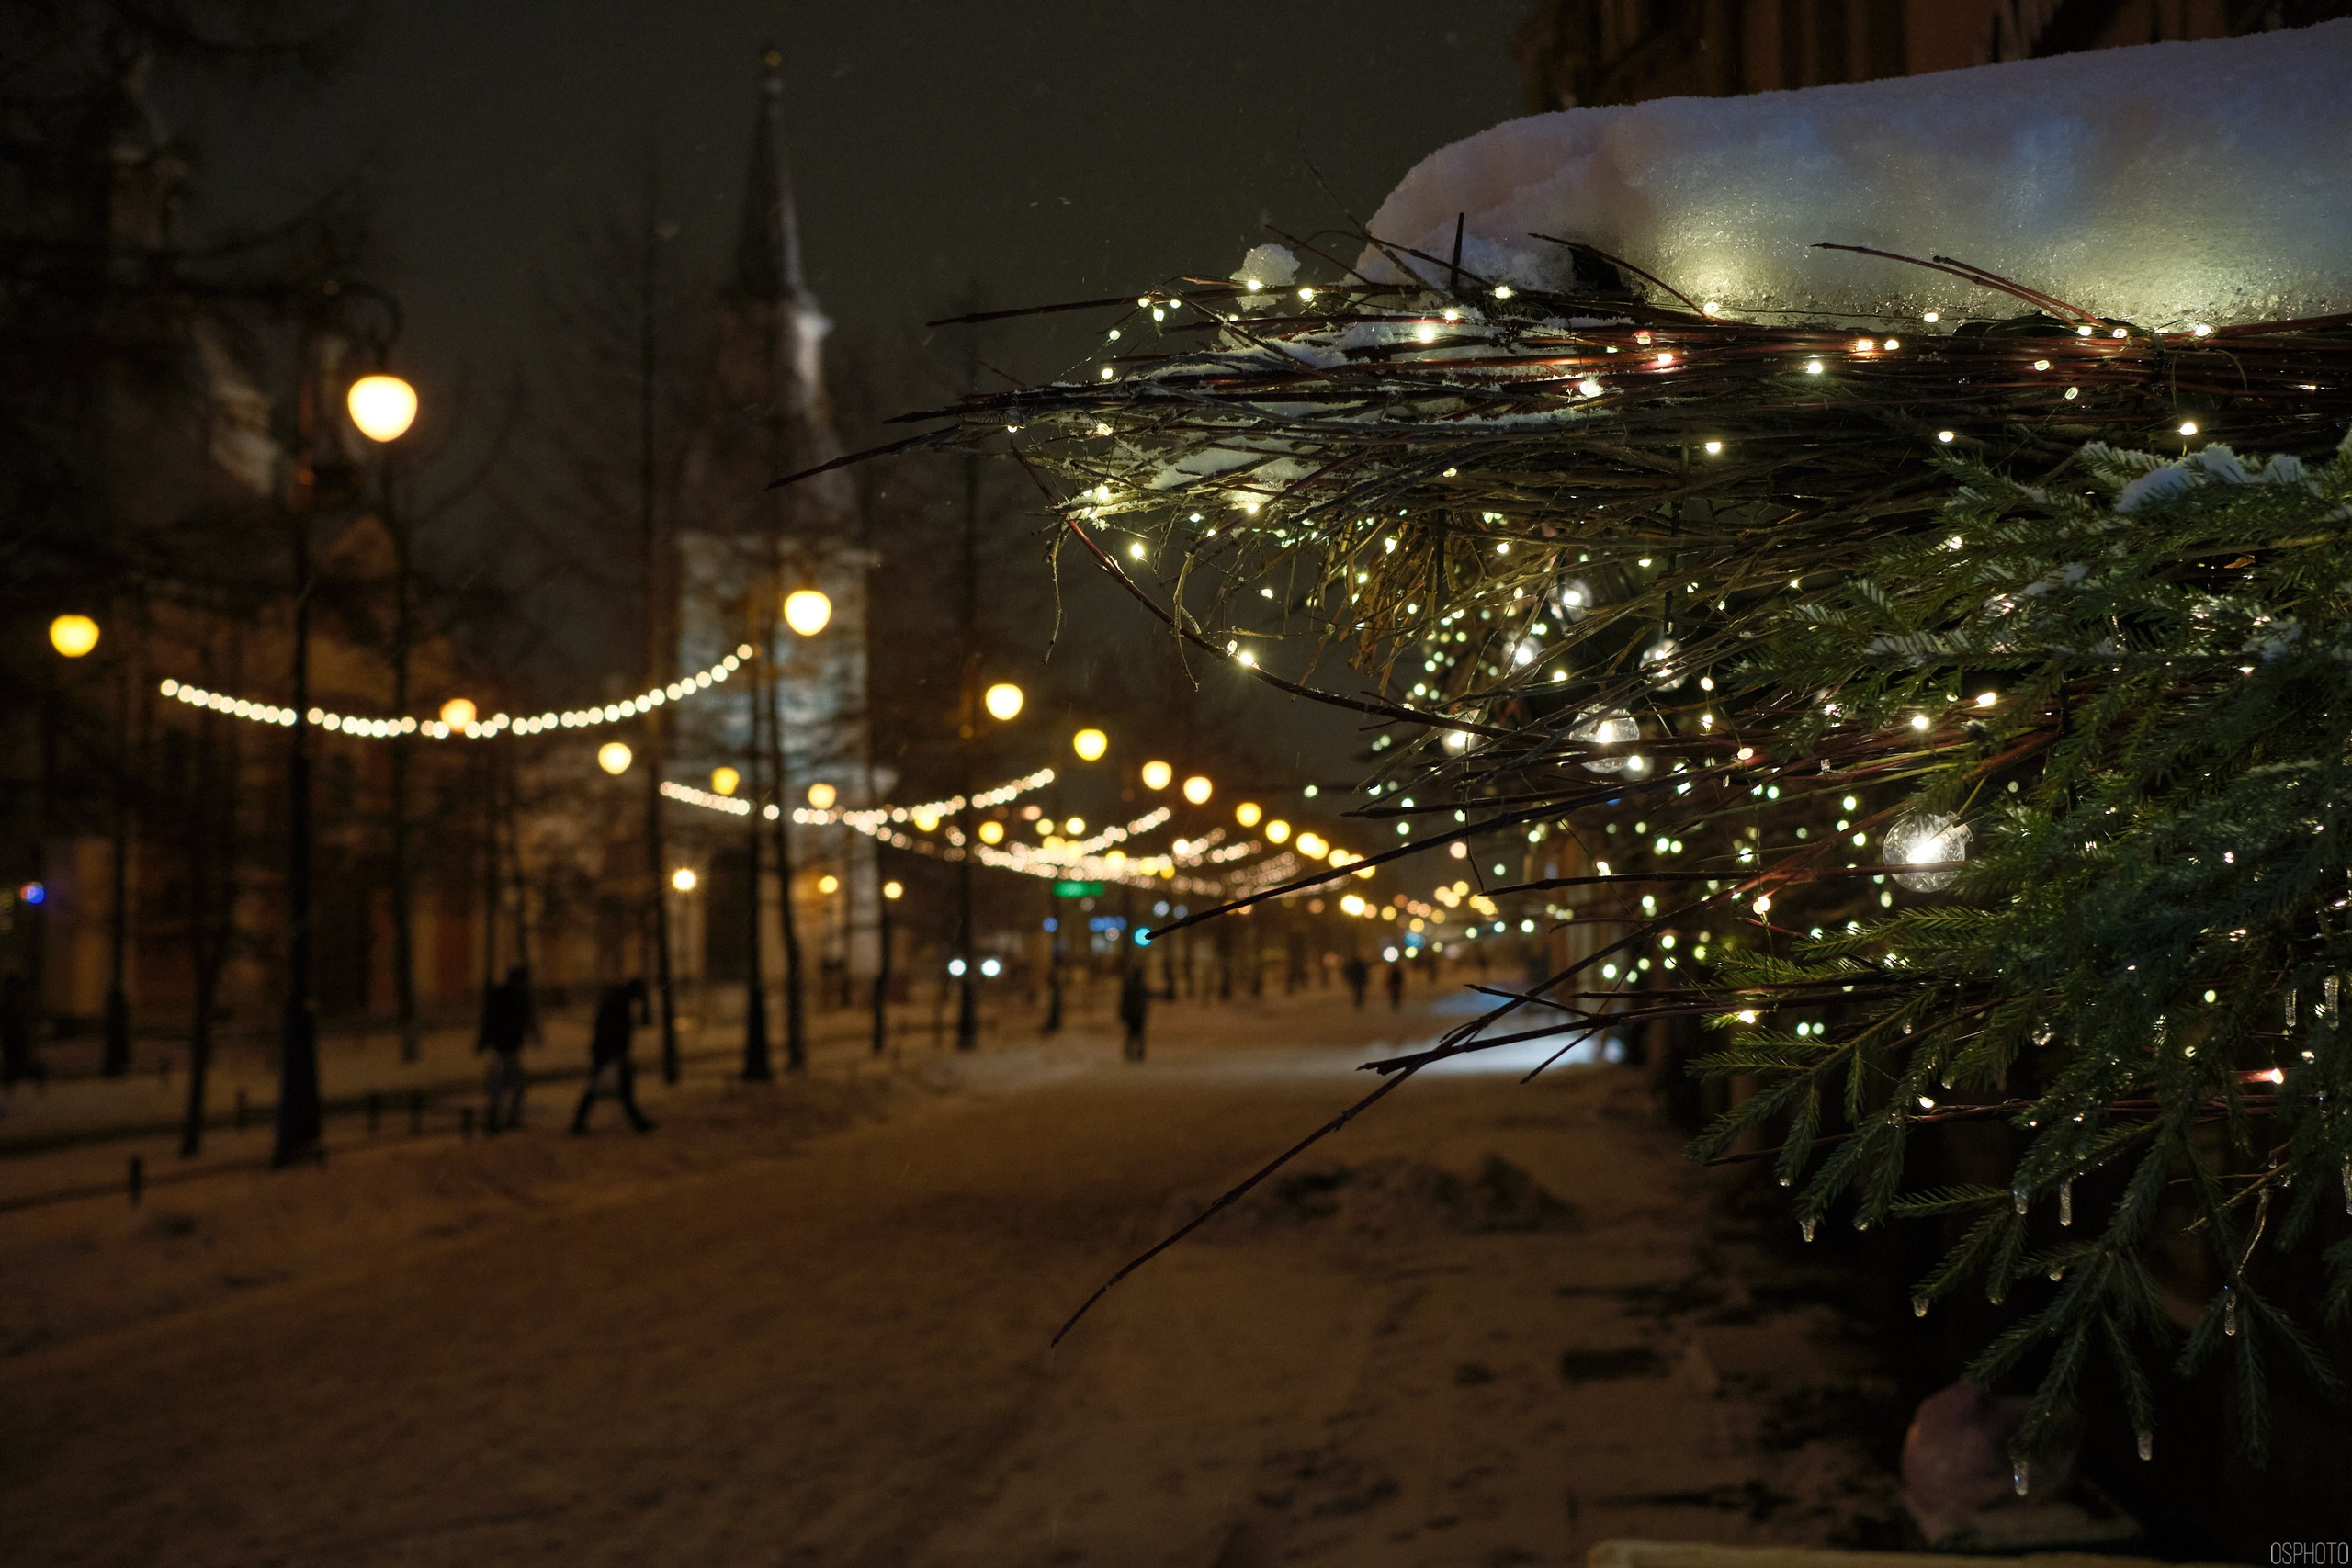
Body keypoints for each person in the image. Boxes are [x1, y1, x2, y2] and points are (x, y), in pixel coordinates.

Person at [571, 977, 655, 1134]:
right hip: (610, 1053)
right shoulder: (619, 1004)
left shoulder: (616, 1000)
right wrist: (616, 1053)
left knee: (607, 1088)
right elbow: (614, 1031)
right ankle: (639, 1123)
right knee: (605, 1088)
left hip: (606, 1051)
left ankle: (639, 1123)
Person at [477, 966, 535, 1134]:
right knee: (513, 1084)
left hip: (501, 1046)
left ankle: (497, 1119)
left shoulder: (501, 995)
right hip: (509, 1047)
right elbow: (519, 1022)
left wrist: (483, 1042)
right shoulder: (518, 997)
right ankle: (506, 1119)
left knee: (501, 1085)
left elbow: (489, 1020)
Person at [1117, 965, 1149, 1063]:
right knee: (1139, 1034)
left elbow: (1123, 1001)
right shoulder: (1142, 987)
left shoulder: (1130, 986)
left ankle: (1130, 1051)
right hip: (1139, 1014)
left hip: (1132, 1014)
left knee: (1131, 1034)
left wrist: (1122, 1013)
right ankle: (1139, 1052)